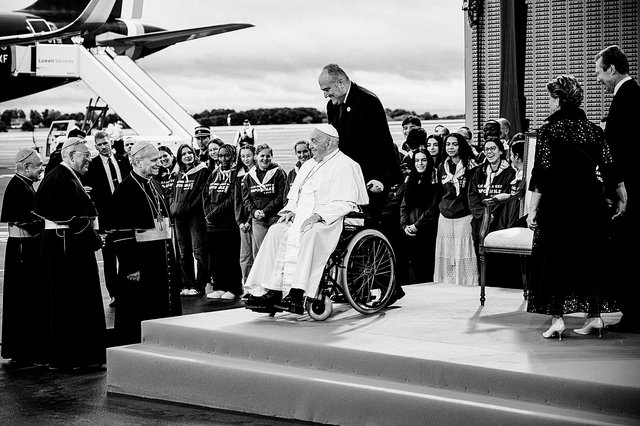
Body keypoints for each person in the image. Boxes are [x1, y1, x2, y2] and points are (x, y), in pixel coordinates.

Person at [526, 75, 626, 340]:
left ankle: (558, 319)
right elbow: (610, 168)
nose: (549, 103)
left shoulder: (549, 131)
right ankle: (595, 317)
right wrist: (623, 196)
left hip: (560, 203)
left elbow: (542, 174)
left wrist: (533, 209)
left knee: (556, 258)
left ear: (559, 100)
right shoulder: (594, 130)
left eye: (550, 98)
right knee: (590, 257)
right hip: (591, 202)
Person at [244, 124, 369, 313]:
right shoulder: (309, 165)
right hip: (302, 219)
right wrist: (290, 210)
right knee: (276, 231)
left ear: (329, 143)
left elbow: (346, 202)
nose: (310, 146)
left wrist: (319, 216)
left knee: (310, 233)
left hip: (331, 221)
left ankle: (298, 292)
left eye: (314, 141)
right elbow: (295, 197)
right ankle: (271, 289)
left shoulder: (347, 165)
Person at [33, 137, 106, 369]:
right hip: (66, 248)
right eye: (85, 155)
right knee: (71, 303)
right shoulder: (60, 178)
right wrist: (93, 238)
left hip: (65, 245)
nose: (90, 159)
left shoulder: (65, 176)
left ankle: (72, 355)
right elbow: (68, 218)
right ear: (70, 155)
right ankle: (74, 357)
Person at [112, 141, 182, 344]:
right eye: (154, 160)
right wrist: (130, 265)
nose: (159, 163)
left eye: (159, 159)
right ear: (137, 161)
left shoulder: (155, 184)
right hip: (142, 261)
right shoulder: (125, 190)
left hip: (162, 256)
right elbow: (121, 232)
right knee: (142, 309)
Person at [319, 63, 401, 225]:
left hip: (372, 177)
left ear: (341, 83)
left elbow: (382, 142)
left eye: (327, 90)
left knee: (369, 223)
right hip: (349, 176)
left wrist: (380, 178)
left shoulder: (367, 101)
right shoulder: (332, 107)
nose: (325, 95)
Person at [595, 45, 640, 333]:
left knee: (628, 253)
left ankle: (634, 314)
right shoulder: (635, 93)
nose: (598, 78)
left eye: (599, 72)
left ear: (612, 69)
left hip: (630, 190)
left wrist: (617, 190)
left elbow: (617, 152)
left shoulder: (625, 98)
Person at [1, 149, 44, 365]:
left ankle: (25, 347)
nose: (41, 169)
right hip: (22, 249)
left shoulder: (24, 185)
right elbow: (27, 220)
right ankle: (21, 350)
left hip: (24, 247)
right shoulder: (18, 188)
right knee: (22, 298)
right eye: (38, 165)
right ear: (26, 167)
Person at [84, 131, 131, 308]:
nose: (104, 147)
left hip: (125, 215)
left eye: (106, 143)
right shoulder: (93, 165)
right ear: (96, 147)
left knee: (127, 254)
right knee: (109, 258)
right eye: (100, 145)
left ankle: (128, 290)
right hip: (106, 218)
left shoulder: (123, 160)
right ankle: (114, 294)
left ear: (111, 142)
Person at [433, 133, 479, 286]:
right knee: (446, 251)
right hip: (445, 215)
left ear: (461, 146)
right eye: (448, 144)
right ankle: (446, 282)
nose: (450, 147)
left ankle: (467, 282)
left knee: (464, 250)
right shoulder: (441, 167)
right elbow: (439, 192)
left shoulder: (471, 167)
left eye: (454, 144)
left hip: (464, 215)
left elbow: (473, 193)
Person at [203, 144, 243, 300]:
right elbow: (205, 195)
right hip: (212, 224)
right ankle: (219, 286)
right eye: (220, 156)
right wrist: (207, 213)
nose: (223, 159)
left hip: (228, 223)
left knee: (230, 257)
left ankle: (234, 288)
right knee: (216, 257)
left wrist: (213, 214)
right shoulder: (214, 174)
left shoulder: (236, 174)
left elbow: (232, 198)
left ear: (233, 156)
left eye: (227, 155)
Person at [170, 144, 211, 296]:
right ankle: (186, 283)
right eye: (184, 154)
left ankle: (199, 285)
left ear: (194, 154)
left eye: (190, 153)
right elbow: (173, 194)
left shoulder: (202, 170)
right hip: (179, 216)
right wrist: (173, 208)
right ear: (179, 158)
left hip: (194, 216)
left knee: (199, 251)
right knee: (183, 252)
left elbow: (202, 193)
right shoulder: (179, 173)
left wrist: (188, 209)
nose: (187, 156)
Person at [467, 138, 515, 256]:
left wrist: (491, 215)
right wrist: (484, 214)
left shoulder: (510, 173)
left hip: (499, 222)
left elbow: (506, 198)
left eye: (493, 148)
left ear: (501, 151)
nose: (489, 152)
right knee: (481, 259)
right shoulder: (479, 172)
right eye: (486, 149)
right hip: (480, 222)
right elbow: (472, 196)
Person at [400, 147, 440, 283]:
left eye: (423, 160)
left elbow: (433, 207)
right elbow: (404, 205)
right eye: (417, 160)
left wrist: (417, 226)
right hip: (409, 229)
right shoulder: (409, 179)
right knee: (412, 265)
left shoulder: (434, 177)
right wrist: (404, 225)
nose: (420, 163)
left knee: (426, 265)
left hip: (427, 229)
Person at [242, 143, 287, 256]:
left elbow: (281, 196)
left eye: (268, 156)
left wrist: (265, 211)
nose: (265, 159)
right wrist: (254, 212)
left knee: (276, 251)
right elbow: (246, 199)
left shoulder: (278, 172)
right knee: (261, 253)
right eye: (262, 156)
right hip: (258, 220)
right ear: (256, 156)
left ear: (272, 157)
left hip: (275, 217)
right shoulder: (249, 175)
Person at [235, 144, 257, 284]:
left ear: (254, 155)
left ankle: (257, 283)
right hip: (243, 222)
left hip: (254, 219)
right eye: (243, 156)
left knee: (256, 253)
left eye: (248, 155)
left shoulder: (258, 173)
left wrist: (249, 220)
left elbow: (254, 200)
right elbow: (237, 200)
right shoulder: (239, 174)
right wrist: (240, 221)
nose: (245, 159)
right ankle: (247, 283)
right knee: (245, 256)